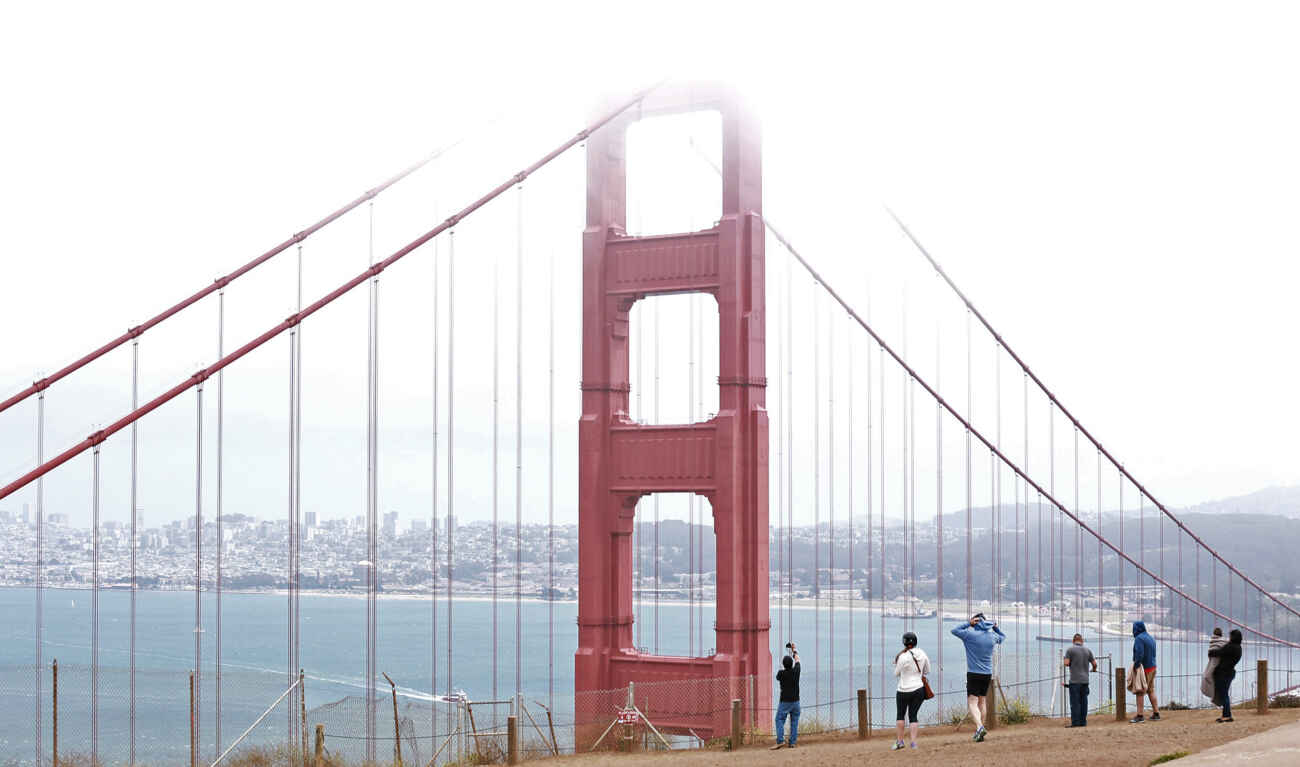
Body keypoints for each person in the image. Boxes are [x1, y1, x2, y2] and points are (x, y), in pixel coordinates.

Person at [951, 612, 1004, 742]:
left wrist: (968, 623)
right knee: (982, 701)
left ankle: (980, 727)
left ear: (976, 622)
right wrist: (995, 627)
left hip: (973, 673)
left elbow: (954, 630)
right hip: (987, 674)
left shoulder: (969, 635)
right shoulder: (992, 636)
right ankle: (979, 730)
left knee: (972, 702)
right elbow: (1002, 637)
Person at [892, 631, 931, 751]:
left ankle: (899, 742)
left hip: (903, 690)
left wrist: (899, 666)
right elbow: (927, 670)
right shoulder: (922, 653)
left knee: (900, 715)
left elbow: (896, 673)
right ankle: (913, 743)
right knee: (913, 716)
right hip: (918, 689)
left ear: (904, 642)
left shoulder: (903, 657)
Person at [1207, 629, 1243, 723]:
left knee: (1224, 695)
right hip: (1230, 672)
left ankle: (1227, 716)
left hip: (1223, 673)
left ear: (1233, 637)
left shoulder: (1231, 647)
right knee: (1224, 694)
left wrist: (1210, 652)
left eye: (1230, 636)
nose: (1229, 638)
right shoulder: (1239, 647)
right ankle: (1225, 714)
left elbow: (1217, 652)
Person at [1062, 633, 1097, 727]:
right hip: (1085, 681)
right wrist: (1093, 670)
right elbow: (1094, 664)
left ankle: (1075, 723)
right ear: (1082, 641)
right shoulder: (1087, 650)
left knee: (1075, 703)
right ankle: (1083, 722)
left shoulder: (1070, 650)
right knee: (1084, 702)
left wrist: (1067, 660)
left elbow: (1066, 663)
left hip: (1074, 681)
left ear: (1073, 641)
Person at [1130, 621, 1161, 723]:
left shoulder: (1139, 639)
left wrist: (1136, 665)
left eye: (1133, 628)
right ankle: (1156, 713)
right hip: (1153, 667)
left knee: (1140, 692)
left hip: (1145, 669)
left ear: (1136, 629)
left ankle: (1140, 716)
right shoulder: (1150, 638)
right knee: (1151, 690)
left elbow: (1139, 654)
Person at [772, 642, 801, 749]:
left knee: (779, 719)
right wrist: (794, 650)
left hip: (785, 702)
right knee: (794, 721)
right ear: (791, 664)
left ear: (784, 664)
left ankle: (780, 740)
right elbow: (797, 660)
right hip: (796, 702)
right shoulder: (796, 671)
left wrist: (784, 668)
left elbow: (777, 677)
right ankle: (792, 742)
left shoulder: (781, 674)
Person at [1201, 628, 1226, 706]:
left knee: (1207, 678)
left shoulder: (1212, 643)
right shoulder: (1224, 643)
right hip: (1222, 668)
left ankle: (1216, 699)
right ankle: (1219, 701)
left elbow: (1212, 658)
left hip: (1214, 667)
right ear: (1221, 634)